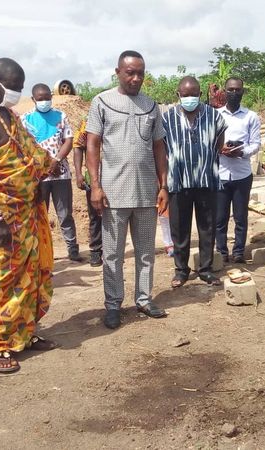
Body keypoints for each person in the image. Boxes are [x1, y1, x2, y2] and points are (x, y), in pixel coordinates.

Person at [0, 58, 56, 374]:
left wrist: (43, 168)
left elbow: (30, 155)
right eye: (10, 87)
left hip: (26, 214)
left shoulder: (9, 115)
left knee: (27, 275)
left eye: (19, 88)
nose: (15, 93)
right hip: (0, 218)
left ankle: (23, 333)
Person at [86, 50, 168, 330]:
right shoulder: (102, 102)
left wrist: (164, 185)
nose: (135, 78)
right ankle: (113, 305)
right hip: (113, 194)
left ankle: (144, 300)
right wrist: (95, 186)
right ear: (118, 72)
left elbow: (159, 146)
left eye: (140, 73)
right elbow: (92, 144)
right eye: (130, 72)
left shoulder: (151, 105)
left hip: (146, 193)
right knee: (112, 254)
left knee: (146, 251)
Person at [162, 76, 227, 288]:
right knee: (179, 228)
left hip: (206, 179)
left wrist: (205, 159)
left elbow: (220, 141)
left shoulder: (213, 115)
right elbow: (161, 147)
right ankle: (181, 270)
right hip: (178, 181)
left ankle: (205, 269)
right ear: (178, 95)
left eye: (194, 94)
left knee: (207, 227)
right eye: (185, 94)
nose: (189, 98)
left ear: (200, 95)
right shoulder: (167, 118)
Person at [22, 83, 82, 262]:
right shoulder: (26, 119)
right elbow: (25, 146)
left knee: (65, 214)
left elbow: (69, 140)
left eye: (47, 97)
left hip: (60, 173)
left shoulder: (60, 116)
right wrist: (43, 166)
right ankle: (41, 253)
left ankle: (73, 250)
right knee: (40, 215)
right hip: (38, 176)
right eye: (40, 99)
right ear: (33, 99)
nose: (44, 101)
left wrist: (56, 161)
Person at [215, 77, 261, 264]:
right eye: (231, 90)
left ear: (243, 92)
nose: (234, 93)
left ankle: (239, 251)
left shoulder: (251, 116)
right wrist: (221, 149)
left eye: (238, 90)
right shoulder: (216, 115)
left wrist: (241, 152)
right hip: (220, 174)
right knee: (220, 218)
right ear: (224, 91)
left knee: (241, 217)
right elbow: (209, 142)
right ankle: (221, 252)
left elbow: (256, 144)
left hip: (242, 174)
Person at [72, 117, 102, 267]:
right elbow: (77, 146)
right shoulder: (88, 122)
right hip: (93, 175)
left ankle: (113, 251)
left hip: (117, 176)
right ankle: (96, 251)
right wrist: (78, 173)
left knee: (116, 214)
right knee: (95, 214)